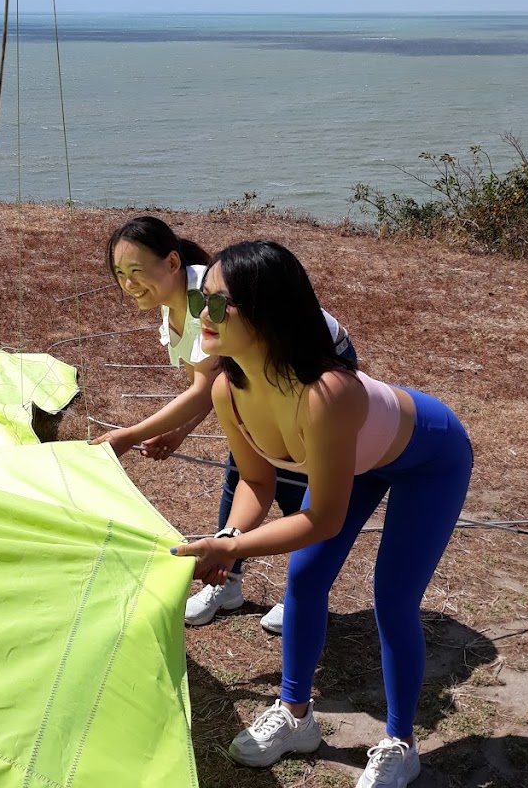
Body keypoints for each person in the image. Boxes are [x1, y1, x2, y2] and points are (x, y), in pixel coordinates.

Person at [171, 241, 472, 788]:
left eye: (215, 304)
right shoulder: (226, 390)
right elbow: (257, 485)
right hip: (354, 460)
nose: (198, 316)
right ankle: (296, 717)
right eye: (195, 299)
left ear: (268, 311)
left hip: (430, 461)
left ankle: (400, 744)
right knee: (305, 582)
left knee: (393, 598)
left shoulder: (326, 394)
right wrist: (229, 543)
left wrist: (229, 548)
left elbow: (322, 518)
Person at [95, 215, 355, 629]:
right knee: (243, 474)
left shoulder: (208, 298)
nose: (128, 284)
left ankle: (303, 593)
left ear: (173, 264)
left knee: (294, 480)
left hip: (306, 361)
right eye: (120, 274)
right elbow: (213, 386)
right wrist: (178, 432)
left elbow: (202, 390)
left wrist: (129, 435)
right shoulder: (173, 307)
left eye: (137, 272)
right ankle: (227, 579)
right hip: (256, 371)